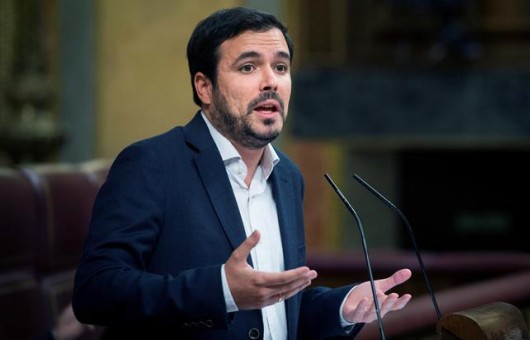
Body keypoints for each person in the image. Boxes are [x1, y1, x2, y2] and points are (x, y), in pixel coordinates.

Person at [72, 6, 412, 339]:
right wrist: (220, 290)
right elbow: (96, 293)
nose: (271, 82)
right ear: (204, 87)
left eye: (281, 67)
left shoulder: (288, 176)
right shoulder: (151, 164)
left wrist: (341, 307)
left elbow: (274, 313)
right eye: (248, 67)